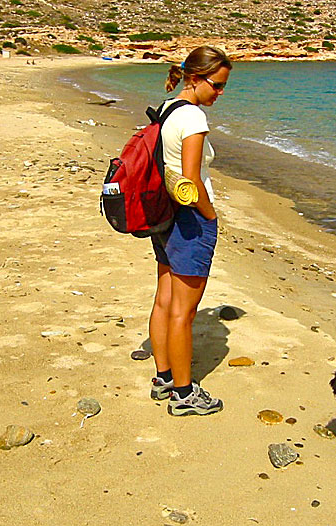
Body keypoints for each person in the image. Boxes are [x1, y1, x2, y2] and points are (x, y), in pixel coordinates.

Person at [148, 46, 232, 417]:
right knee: (184, 312)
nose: (220, 93)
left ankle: (163, 378)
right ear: (195, 79)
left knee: (164, 300)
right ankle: (184, 394)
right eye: (217, 85)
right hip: (190, 219)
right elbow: (192, 178)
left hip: (165, 215)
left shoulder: (169, 107)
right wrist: (210, 215)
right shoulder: (194, 118)